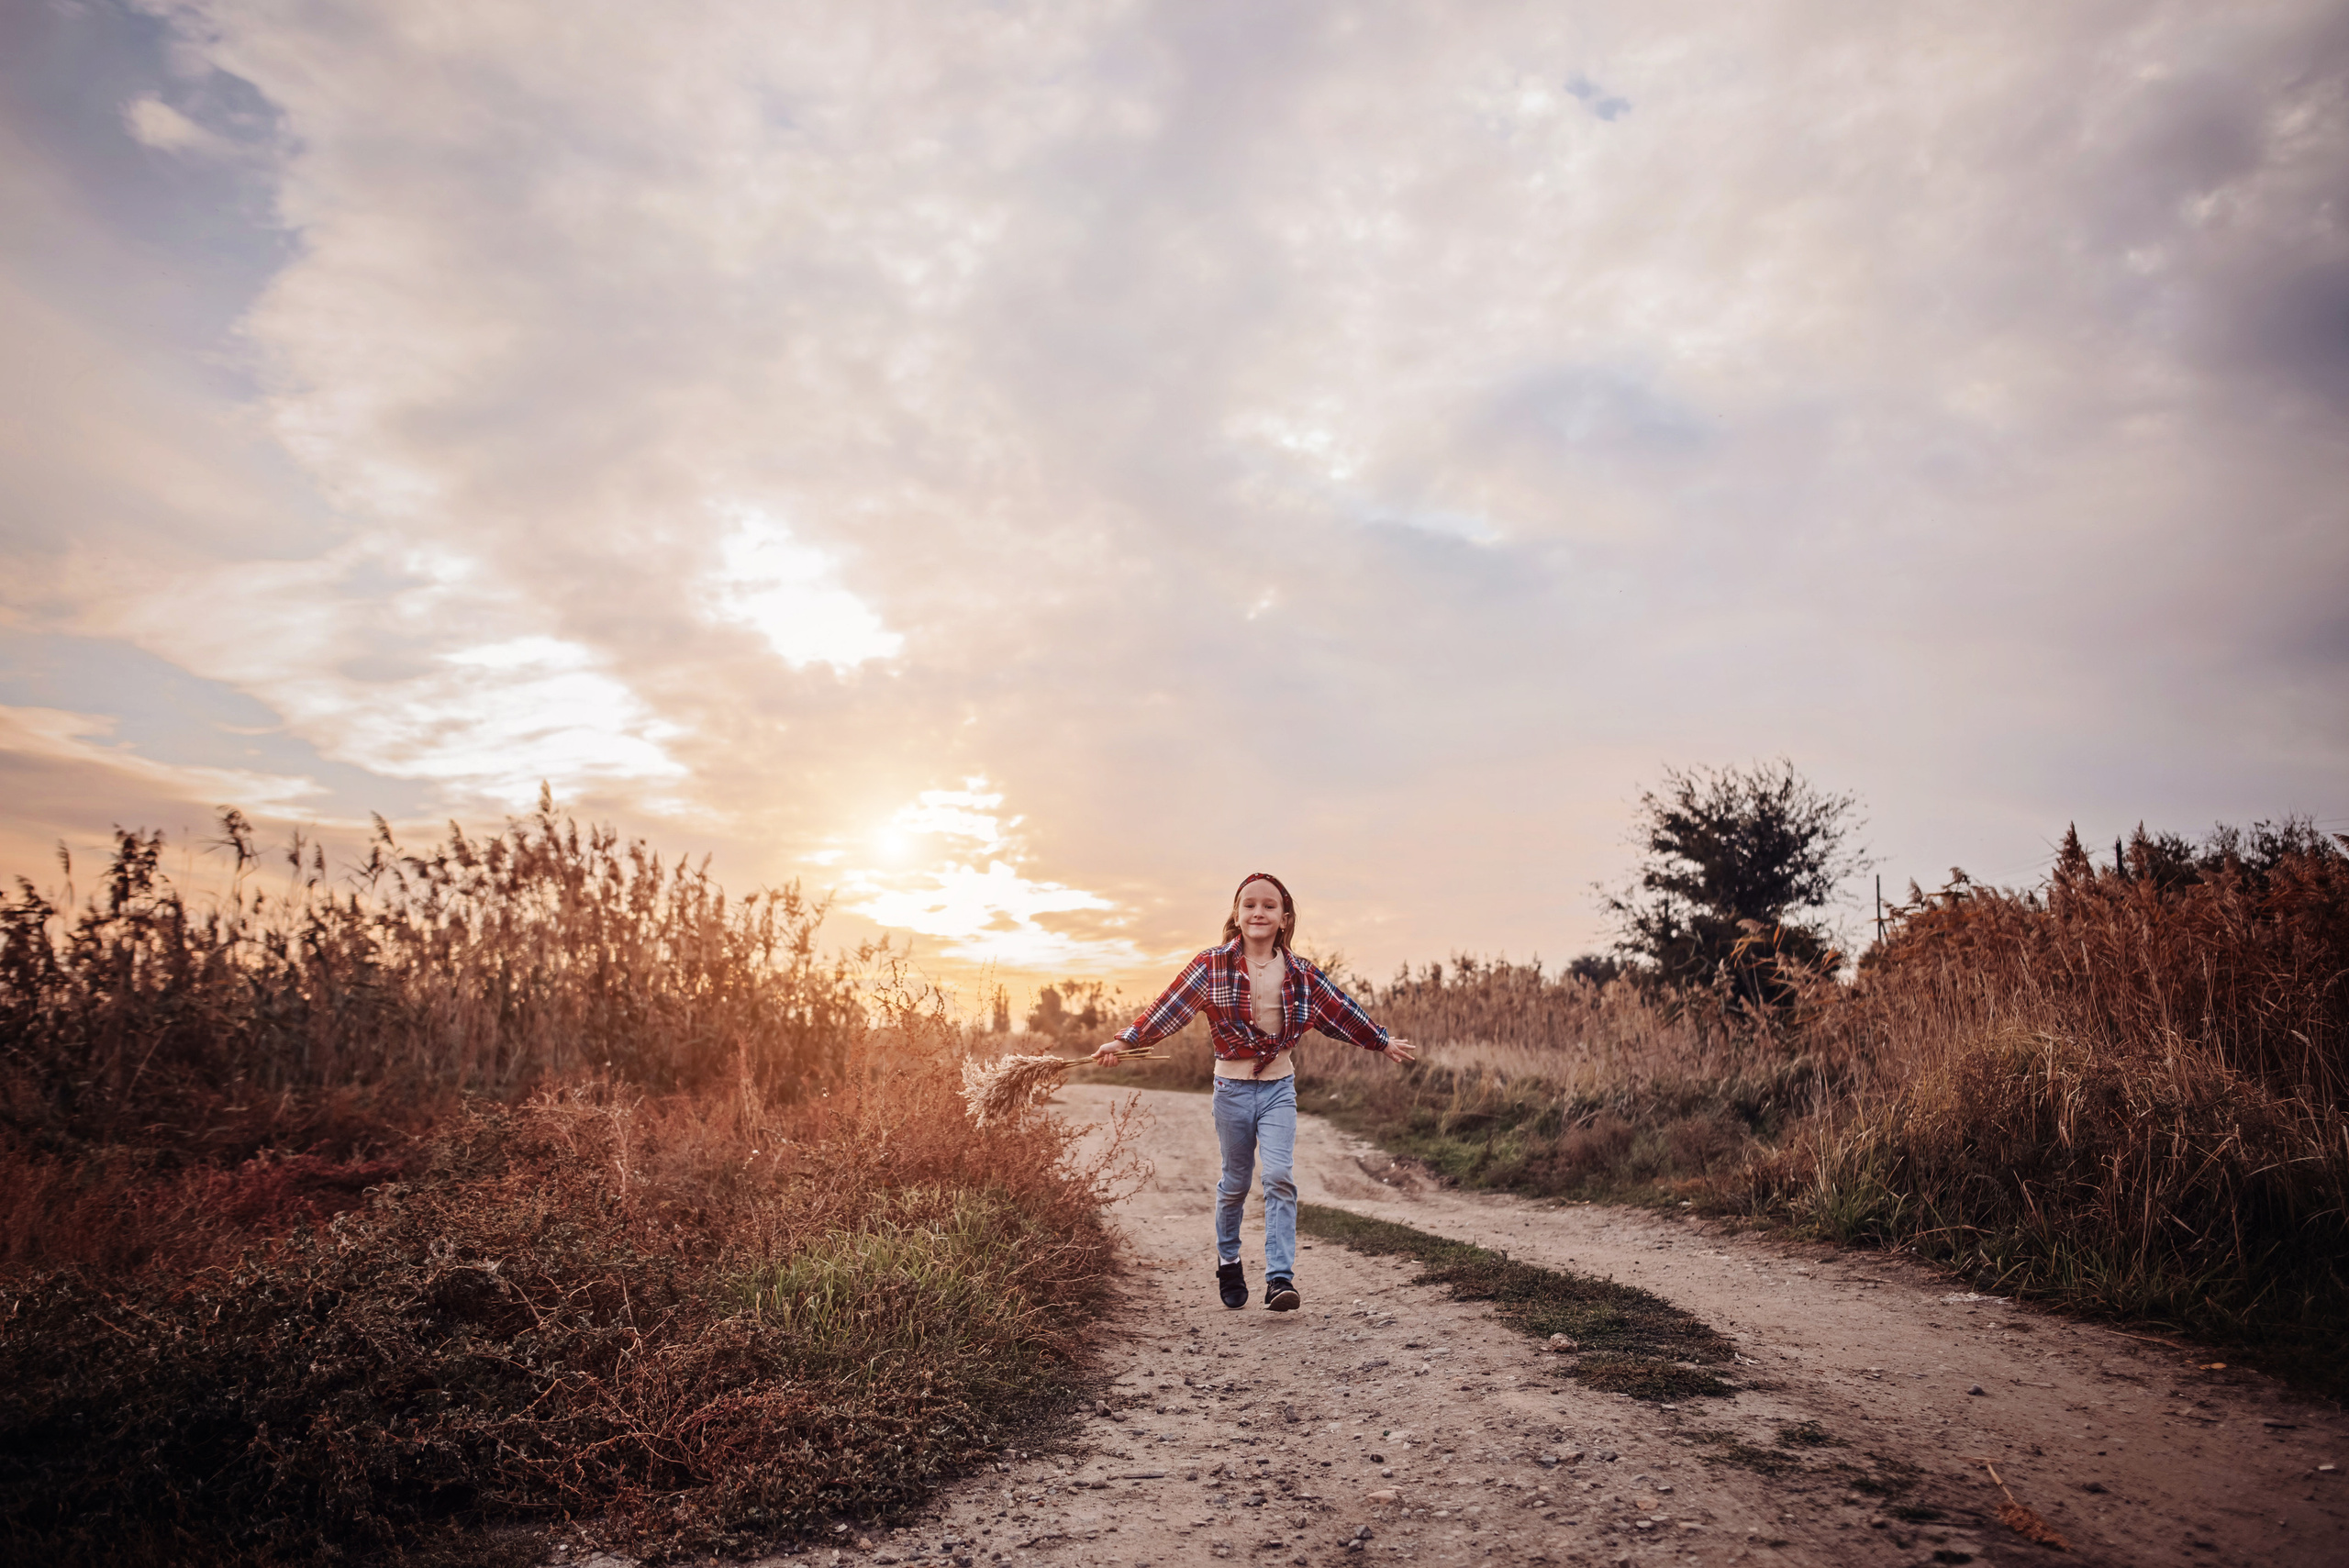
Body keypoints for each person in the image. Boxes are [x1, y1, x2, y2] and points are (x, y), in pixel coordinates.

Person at [1092, 872, 1416, 1312]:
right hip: (1232, 1089)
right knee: (1235, 1185)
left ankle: (1280, 1279)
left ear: (1284, 918)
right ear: (1237, 915)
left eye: (1268, 906)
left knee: (1279, 1176)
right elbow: (1168, 1007)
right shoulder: (1211, 966)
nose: (1258, 912)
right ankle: (1229, 1261)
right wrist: (1126, 1041)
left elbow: (1340, 1009)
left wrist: (1381, 1040)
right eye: (1249, 905)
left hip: (1279, 1087)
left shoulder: (1302, 974)